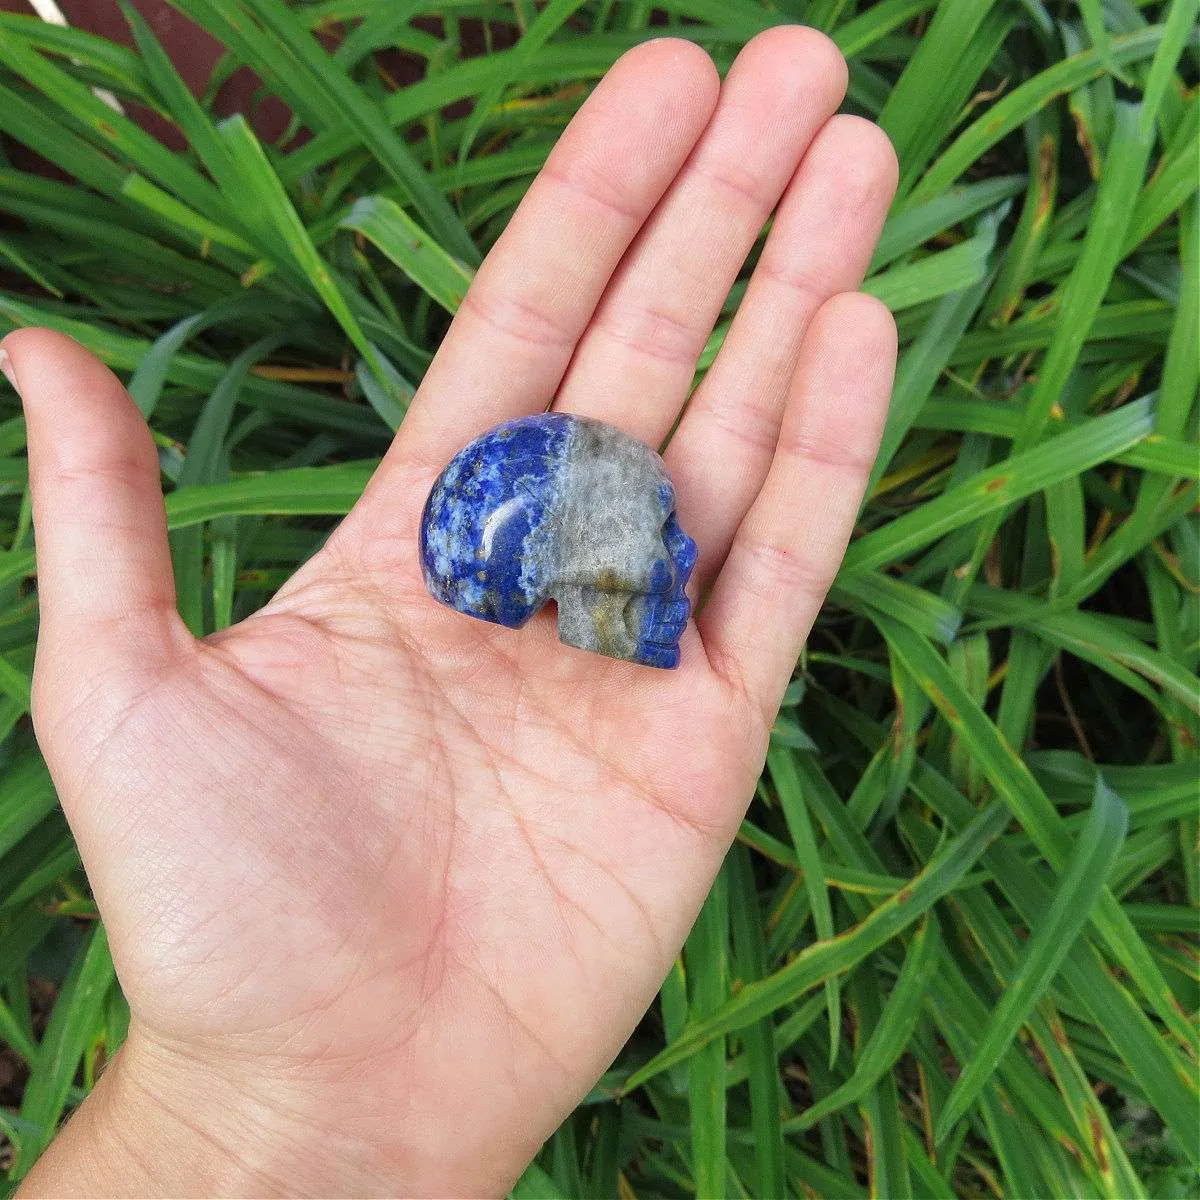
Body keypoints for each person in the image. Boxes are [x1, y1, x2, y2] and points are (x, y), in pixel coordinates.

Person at [4, 25, 898, 1198]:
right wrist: (252, 1104)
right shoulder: (508, 565)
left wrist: (240, 1124)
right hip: (499, 543)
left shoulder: (576, 556)